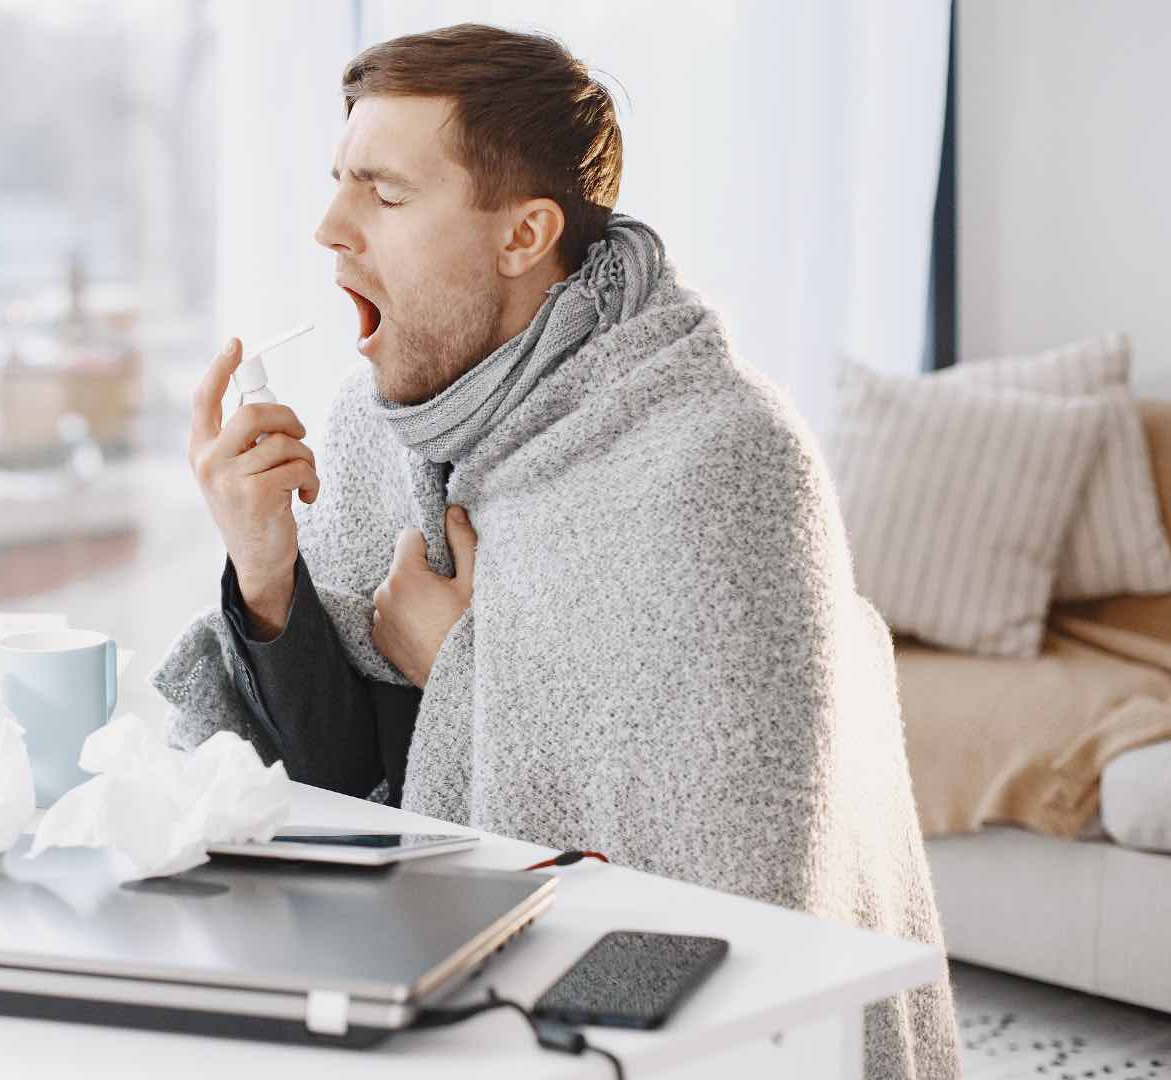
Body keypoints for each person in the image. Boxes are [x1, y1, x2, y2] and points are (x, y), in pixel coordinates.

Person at [152, 23, 958, 1080]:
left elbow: (729, 905)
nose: (330, 229)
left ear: (524, 234)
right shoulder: (377, 426)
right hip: (423, 991)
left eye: (384, 195)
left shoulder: (719, 458)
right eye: (338, 183)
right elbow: (341, 795)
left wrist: (453, 663)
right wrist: (266, 569)